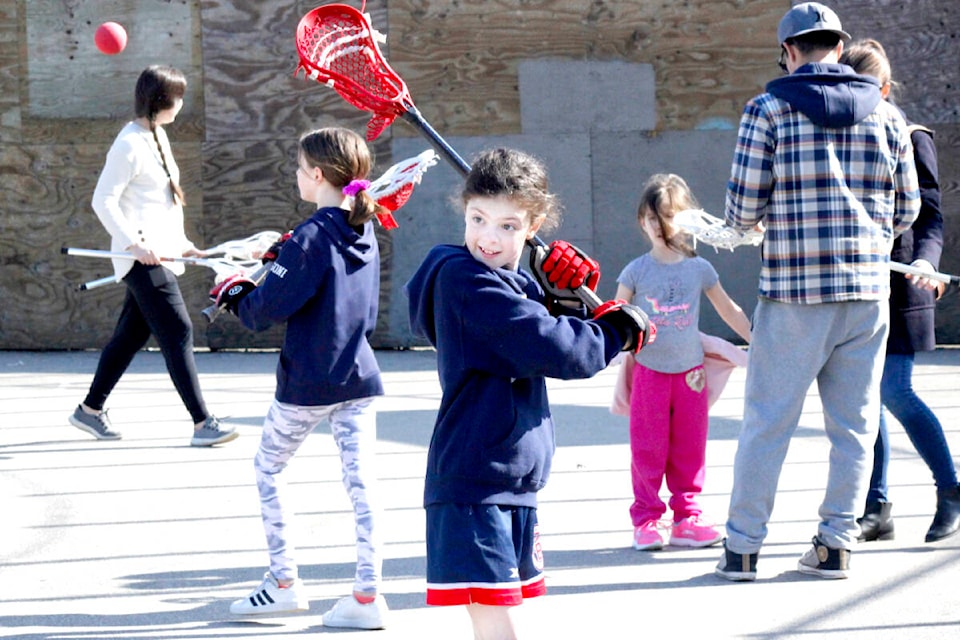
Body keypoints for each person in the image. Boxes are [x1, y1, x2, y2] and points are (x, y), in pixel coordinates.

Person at [405, 148, 652, 639]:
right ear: (464, 209)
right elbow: (549, 345)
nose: (488, 238)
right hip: (474, 478)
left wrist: (562, 297)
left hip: (510, 477)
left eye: (508, 226)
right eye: (478, 218)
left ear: (534, 224)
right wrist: (612, 333)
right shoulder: (463, 280)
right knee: (499, 620)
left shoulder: (510, 283)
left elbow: (538, 318)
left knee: (501, 615)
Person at [716, 2, 920, 581]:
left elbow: (741, 209)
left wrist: (759, 224)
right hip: (865, 294)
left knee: (767, 423)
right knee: (854, 427)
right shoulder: (886, 113)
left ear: (788, 52)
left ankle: (744, 548)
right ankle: (835, 545)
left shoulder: (769, 109)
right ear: (838, 45)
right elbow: (907, 208)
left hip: (793, 294)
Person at [219, 128, 389, 630]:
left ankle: (284, 584)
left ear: (317, 175)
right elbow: (311, 283)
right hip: (358, 377)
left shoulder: (310, 236)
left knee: (268, 469)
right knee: (362, 487)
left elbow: (261, 310)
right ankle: (367, 595)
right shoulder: (363, 229)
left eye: (299, 167)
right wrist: (275, 264)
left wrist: (233, 291)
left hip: (308, 384)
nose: (296, 174)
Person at [68, 65, 237, 447]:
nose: (182, 103)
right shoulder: (128, 144)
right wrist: (133, 244)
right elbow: (103, 200)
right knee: (179, 330)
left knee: (129, 337)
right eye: (178, 96)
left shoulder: (156, 136)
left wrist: (183, 243)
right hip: (142, 259)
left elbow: (161, 203)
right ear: (163, 101)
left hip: (160, 254)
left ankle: (89, 411)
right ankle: (202, 423)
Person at [839, 39, 960, 544]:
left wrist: (924, 263)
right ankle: (877, 505)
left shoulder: (912, 135)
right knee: (862, 396)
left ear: (885, 89)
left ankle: (950, 489)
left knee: (893, 389)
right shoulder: (843, 133)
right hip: (857, 280)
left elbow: (930, 215)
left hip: (905, 282)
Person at [614, 173, 751, 551]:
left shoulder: (700, 268)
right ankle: (646, 519)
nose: (659, 225)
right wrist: (599, 344)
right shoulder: (636, 271)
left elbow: (730, 310)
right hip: (649, 373)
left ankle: (688, 517)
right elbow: (615, 315)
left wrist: (759, 340)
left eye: (668, 216)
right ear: (641, 221)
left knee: (690, 447)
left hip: (691, 376)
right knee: (648, 448)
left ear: (687, 217)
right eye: (651, 217)